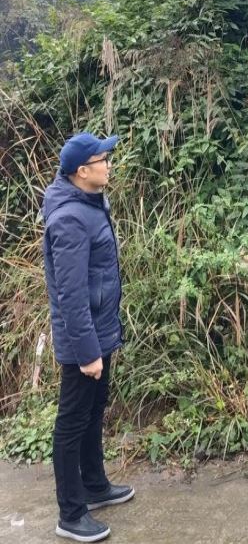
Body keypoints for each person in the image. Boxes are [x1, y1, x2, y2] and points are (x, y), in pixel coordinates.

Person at [42, 132, 135, 542]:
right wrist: (86, 352)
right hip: (83, 339)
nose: (109, 165)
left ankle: (95, 486)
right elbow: (71, 294)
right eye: (103, 160)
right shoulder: (70, 219)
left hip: (100, 331)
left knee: (94, 410)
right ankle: (71, 513)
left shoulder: (91, 203)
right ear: (83, 171)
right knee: (72, 421)